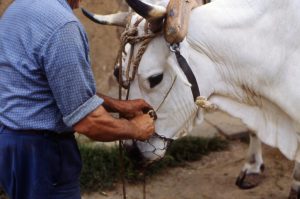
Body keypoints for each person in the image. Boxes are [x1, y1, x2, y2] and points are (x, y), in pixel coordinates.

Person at [0, 0, 155, 198]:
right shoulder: (63, 27)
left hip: (10, 145)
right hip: (42, 154)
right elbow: (89, 123)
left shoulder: (17, 8)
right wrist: (136, 129)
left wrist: (118, 106)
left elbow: (56, 87)